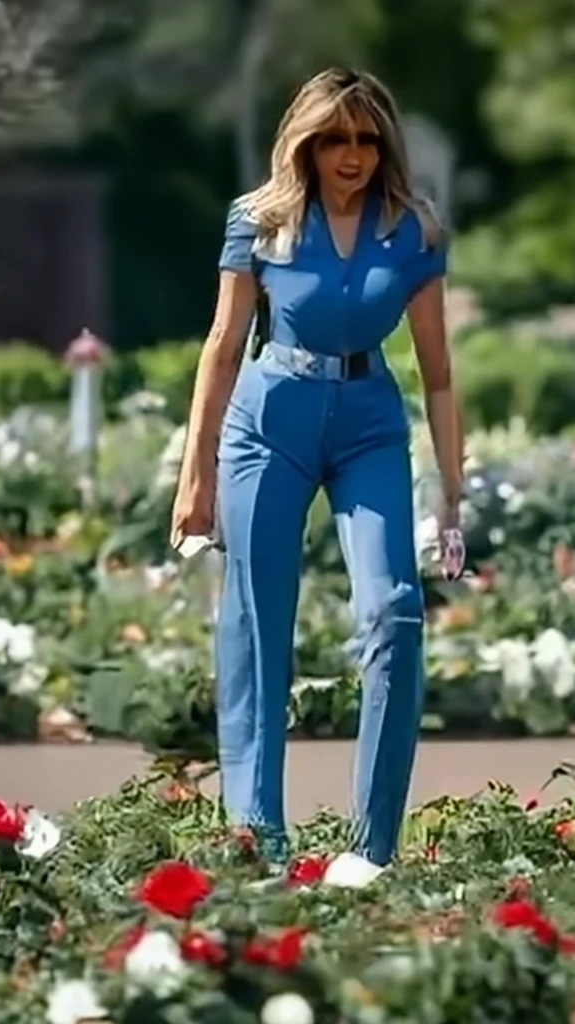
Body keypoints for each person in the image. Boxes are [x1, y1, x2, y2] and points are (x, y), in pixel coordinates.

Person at [170, 68, 465, 874]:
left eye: (367, 139)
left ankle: (371, 851)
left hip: (370, 423)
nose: (352, 155)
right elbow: (223, 348)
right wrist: (195, 478)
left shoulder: (414, 230)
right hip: (269, 425)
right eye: (335, 137)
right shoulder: (257, 223)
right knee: (260, 626)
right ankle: (258, 836)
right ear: (305, 141)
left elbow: (439, 375)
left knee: (396, 613)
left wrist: (452, 494)